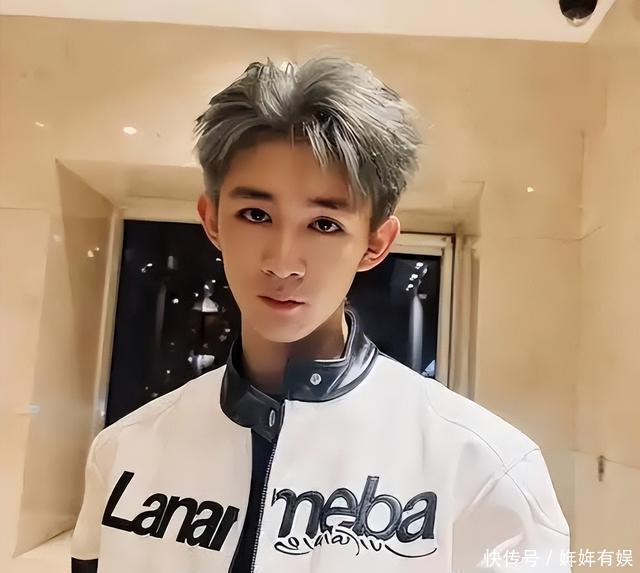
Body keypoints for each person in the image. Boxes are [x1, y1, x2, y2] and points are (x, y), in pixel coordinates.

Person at [70, 55, 571, 572]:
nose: (283, 262)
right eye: (256, 214)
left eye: (325, 224)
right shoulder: (125, 452)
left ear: (375, 243)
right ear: (212, 219)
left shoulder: (483, 470)